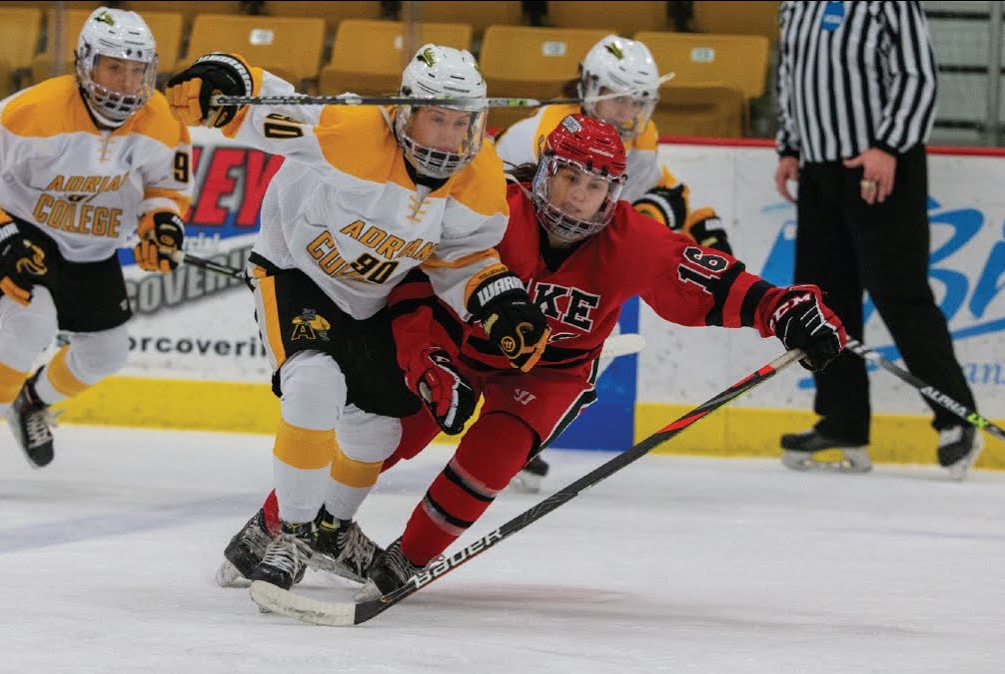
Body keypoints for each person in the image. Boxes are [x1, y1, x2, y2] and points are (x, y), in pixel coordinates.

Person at [220, 115, 848, 597]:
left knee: (491, 457)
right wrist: (426, 364)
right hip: (461, 349)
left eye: (595, 184)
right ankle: (280, 526)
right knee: (385, 429)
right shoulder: (493, 211)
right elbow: (415, 287)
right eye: (568, 177)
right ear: (543, 171)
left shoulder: (634, 241)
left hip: (551, 373)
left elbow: (712, 282)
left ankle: (405, 560)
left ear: (614, 192)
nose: (577, 197)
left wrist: (785, 309)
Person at [164, 44, 549, 592]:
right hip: (295, 269)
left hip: (373, 296)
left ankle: (329, 532)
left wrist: (500, 303)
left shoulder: (481, 181)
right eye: (435, 118)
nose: (446, 137)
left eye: (460, 123)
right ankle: (292, 536)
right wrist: (226, 79)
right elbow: (275, 108)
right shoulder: (351, 128)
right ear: (404, 111)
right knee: (314, 383)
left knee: (377, 430)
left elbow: (460, 258)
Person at [0, 8, 192, 496]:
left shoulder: (160, 117)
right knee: (30, 327)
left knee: (106, 354)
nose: (126, 81)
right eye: (114, 66)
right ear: (85, 64)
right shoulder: (28, 112)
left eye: (138, 69)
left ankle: (32, 401)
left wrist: (161, 223)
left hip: (95, 245)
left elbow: (167, 187)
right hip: (26, 235)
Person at [495, 33, 732, 492]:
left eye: (638, 102)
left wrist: (702, 224)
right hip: (510, 250)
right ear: (589, 89)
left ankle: (518, 437)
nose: (628, 114)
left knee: (596, 337)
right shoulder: (544, 131)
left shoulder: (640, 140)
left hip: (564, 260)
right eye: (618, 100)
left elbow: (653, 192)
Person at [773, 1, 982, 479]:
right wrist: (789, 146)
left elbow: (917, 75)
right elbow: (791, 74)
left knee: (900, 294)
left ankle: (956, 419)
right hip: (819, 169)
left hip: (881, 166)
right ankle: (843, 422)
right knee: (824, 304)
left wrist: (889, 146)